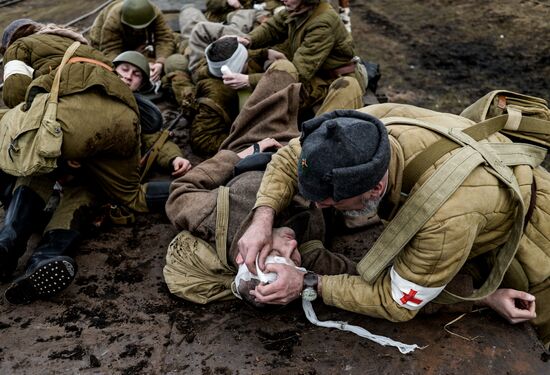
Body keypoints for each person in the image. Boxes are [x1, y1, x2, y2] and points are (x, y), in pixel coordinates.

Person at [237, 105, 550, 350]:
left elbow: (397, 300)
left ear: (374, 190)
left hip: (533, 234)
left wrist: (308, 284)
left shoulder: (441, 218)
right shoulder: (362, 131)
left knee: (537, 320)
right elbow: (288, 159)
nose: (318, 207)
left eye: (332, 203)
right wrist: (261, 219)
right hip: (481, 194)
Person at [0, 19, 172, 304]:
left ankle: (8, 243)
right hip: (125, 125)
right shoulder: (89, 50)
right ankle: (45, 258)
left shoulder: (21, 47)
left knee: (34, 165)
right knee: (125, 194)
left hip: (72, 124)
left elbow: (15, 95)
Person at [235, 0, 364, 116]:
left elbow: (297, 73)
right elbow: (272, 28)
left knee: (281, 102)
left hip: (334, 80)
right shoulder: (296, 9)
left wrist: (249, 80)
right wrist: (248, 39)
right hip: (315, 73)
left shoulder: (322, 24)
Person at [112, 50, 192, 178]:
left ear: (141, 84)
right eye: (124, 69)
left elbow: (152, 138)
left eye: (136, 74)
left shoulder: (138, 107)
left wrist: (174, 158)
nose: (128, 76)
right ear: (113, 69)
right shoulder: (93, 91)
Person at [88, 0, 176, 82]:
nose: (138, 30)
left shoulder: (153, 13)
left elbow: (165, 38)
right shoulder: (113, 21)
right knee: (104, 66)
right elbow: (110, 50)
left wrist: (160, 62)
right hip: (103, 40)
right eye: (136, 28)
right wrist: (126, 68)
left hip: (136, 41)